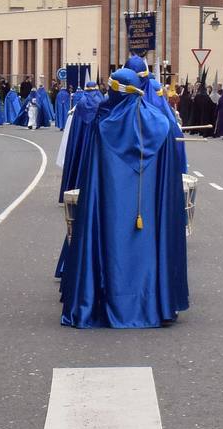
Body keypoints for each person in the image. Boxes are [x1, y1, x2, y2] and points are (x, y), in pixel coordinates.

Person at [58, 57, 188, 328]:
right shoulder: (161, 125)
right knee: (151, 245)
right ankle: (154, 303)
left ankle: (109, 301)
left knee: (111, 248)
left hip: (111, 210)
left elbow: (94, 180)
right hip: (150, 213)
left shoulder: (104, 128)